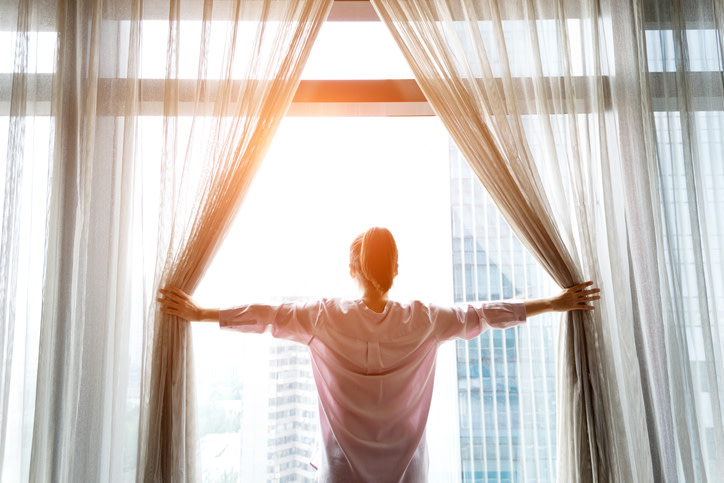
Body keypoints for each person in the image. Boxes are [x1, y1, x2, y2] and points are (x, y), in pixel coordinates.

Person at [158, 227, 600, 483]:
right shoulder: (424, 318)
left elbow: (265, 315)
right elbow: (484, 314)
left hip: (341, 470)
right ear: (395, 270)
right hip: (408, 471)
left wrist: (199, 314)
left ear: (353, 270)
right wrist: (555, 303)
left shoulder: (324, 316)